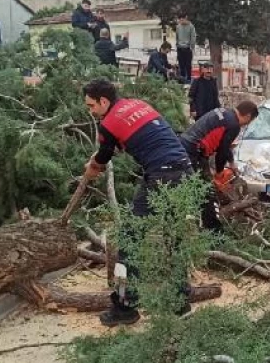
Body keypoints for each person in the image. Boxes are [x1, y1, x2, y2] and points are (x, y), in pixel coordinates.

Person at [81, 79, 193, 327]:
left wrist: (91, 171)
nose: (91, 111)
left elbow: (103, 157)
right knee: (173, 239)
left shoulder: (108, 123)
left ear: (104, 101)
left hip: (161, 175)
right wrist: (101, 155)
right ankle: (181, 302)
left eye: (92, 106)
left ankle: (125, 307)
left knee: (131, 240)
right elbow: (135, 139)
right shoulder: (138, 104)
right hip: (185, 170)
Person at [180, 101, 259, 229]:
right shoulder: (234, 125)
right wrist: (220, 173)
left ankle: (195, 220)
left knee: (196, 186)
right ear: (248, 116)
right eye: (249, 121)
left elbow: (225, 145)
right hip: (194, 151)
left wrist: (232, 163)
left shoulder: (224, 113)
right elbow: (221, 153)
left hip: (187, 145)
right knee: (207, 191)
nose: (246, 125)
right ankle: (213, 230)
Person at [175, 13, 196, 83]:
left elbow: (193, 37)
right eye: (180, 20)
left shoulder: (191, 27)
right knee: (181, 65)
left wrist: (191, 47)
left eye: (182, 19)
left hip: (187, 48)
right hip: (180, 48)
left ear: (186, 18)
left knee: (188, 65)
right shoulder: (178, 26)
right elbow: (177, 36)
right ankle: (182, 79)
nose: (181, 21)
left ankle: (189, 79)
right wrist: (177, 45)